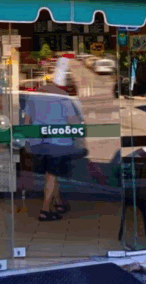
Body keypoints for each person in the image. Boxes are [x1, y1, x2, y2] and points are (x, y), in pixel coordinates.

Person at [23, 82, 86, 222]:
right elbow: (73, 121)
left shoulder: (33, 96)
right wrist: (80, 137)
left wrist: (28, 141)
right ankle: (45, 210)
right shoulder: (62, 97)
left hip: (37, 142)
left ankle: (58, 202)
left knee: (51, 173)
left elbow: (27, 120)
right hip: (58, 143)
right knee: (51, 174)